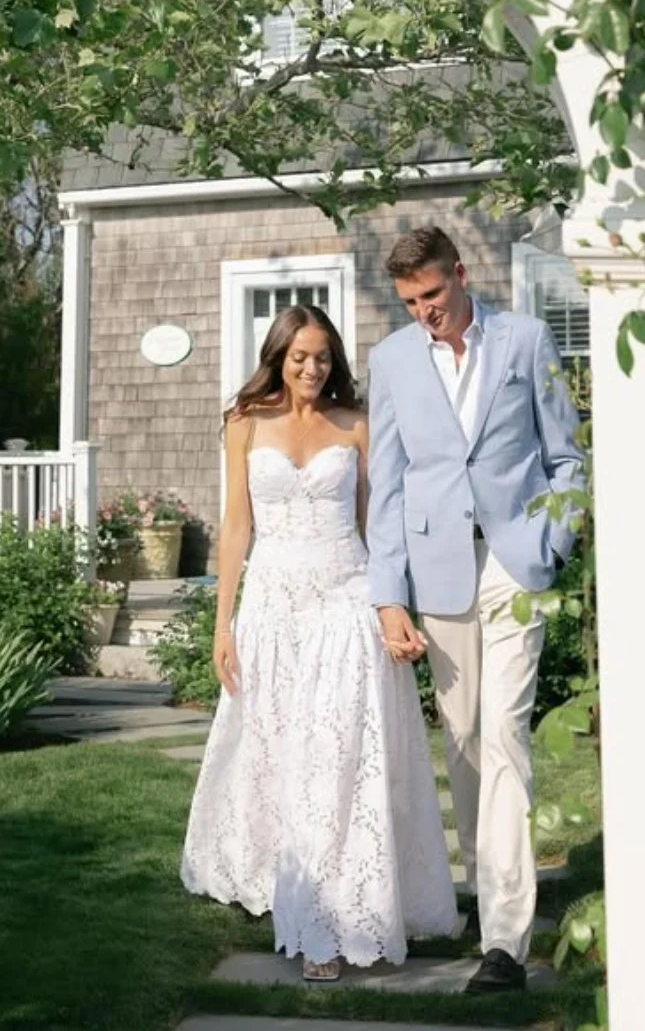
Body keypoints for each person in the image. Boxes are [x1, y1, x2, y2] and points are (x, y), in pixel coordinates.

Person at [181, 304, 458, 981]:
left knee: (339, 758)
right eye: (300, 356)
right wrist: (224, 624)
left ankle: (339, 917)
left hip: (345, 597)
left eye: (323, 358)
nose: (312, 368)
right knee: (287, 758)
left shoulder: (356, 427)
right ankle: (301, 890)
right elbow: (237, 528)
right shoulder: (243, 426)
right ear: (278, 356)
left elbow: (379, 527)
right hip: (273, 609)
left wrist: (393, 608)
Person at [367, 226, 584, 995]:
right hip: (435, 571)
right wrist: (388, 595)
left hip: (513, 563)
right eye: (409, 302)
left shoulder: (524, 341)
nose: (423, 312)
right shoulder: (390, 361)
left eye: (431, 294)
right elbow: (387, 487)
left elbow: (566, 456)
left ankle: (503, 942)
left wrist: (550, 542)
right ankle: (482, 889)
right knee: (459, 739)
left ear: (459, 274)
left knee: (503, 733)